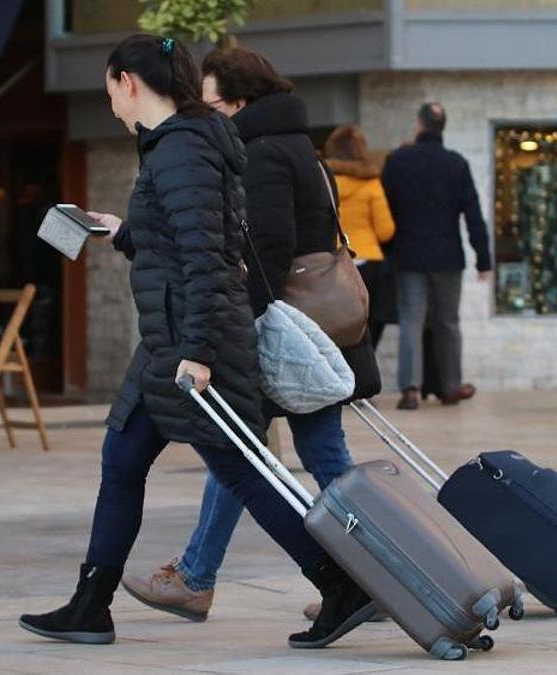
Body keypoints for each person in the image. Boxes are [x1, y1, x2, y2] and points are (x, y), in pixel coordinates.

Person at [18, 35, 374, 650]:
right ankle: (91, 603)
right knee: (123, 461)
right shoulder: (173, 146)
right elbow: (181, 242)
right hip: (169, 337)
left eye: (109, 89)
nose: (109, 104)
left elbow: (210, 258)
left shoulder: (181, 149)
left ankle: (340, 584)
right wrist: (122, 230)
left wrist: (202, 353)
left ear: (129, 81)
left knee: (245, 471)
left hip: (193, 341)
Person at [120, 46, 374, 625]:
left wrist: (231, 324)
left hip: (281, 329)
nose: (202, 111)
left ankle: (198, 576)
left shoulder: (260, 153)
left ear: (237, 101)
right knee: (286, 455)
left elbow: (266, 253)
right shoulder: (300, 145)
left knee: (243, 453)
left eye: (209, 101)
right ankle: (375, 574)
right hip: (314, 324)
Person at [381, 103, 492, 411]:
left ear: (419, 125)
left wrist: (387, 252)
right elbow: (473, 215)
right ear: (442, 127)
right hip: (447, 256)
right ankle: (451, 385)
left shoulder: (398, 161)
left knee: (410, 319)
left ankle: (411, 389)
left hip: (409, 255)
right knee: (448, 323)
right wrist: (483, 259)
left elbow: (385, 210)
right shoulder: (456, 164)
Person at [324, 126, 396, 349]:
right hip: (369, 263)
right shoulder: (372, 184)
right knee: (370, 328)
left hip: (333, 262)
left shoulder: (324, 182)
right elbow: (386, 230)